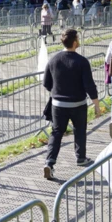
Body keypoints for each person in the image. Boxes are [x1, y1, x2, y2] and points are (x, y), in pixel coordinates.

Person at [42, 29, 100, 179]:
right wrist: (96, 104)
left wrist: (57, 91)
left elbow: (47, 83)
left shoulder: (53, 59)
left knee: (56, 132)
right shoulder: (82, 61)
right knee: (79, 130)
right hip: (78, 103)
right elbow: (89, 85)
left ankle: (49, 162)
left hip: (58, 104)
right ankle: (81, 157)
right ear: (75, 42)